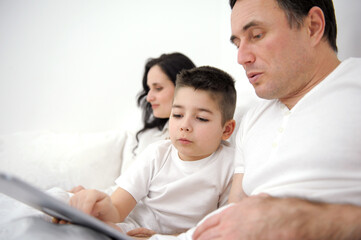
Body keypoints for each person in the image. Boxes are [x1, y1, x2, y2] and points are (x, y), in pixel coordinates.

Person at [191, 0, 361, 239]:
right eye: (237, 43)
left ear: (312, 27)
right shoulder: (252, 119)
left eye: (257, 35)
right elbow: (235, 212)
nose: (241, 57)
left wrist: (307, 221)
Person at [68, 66, 238, 236]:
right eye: (177, 115)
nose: (184, 126)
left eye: (201, 118)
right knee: (69, 205)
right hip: (130, 225)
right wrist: (103, 207)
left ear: (226, 130)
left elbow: (220, 230)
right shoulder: (157, 154)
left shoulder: (230, 165)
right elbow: (118, 210)